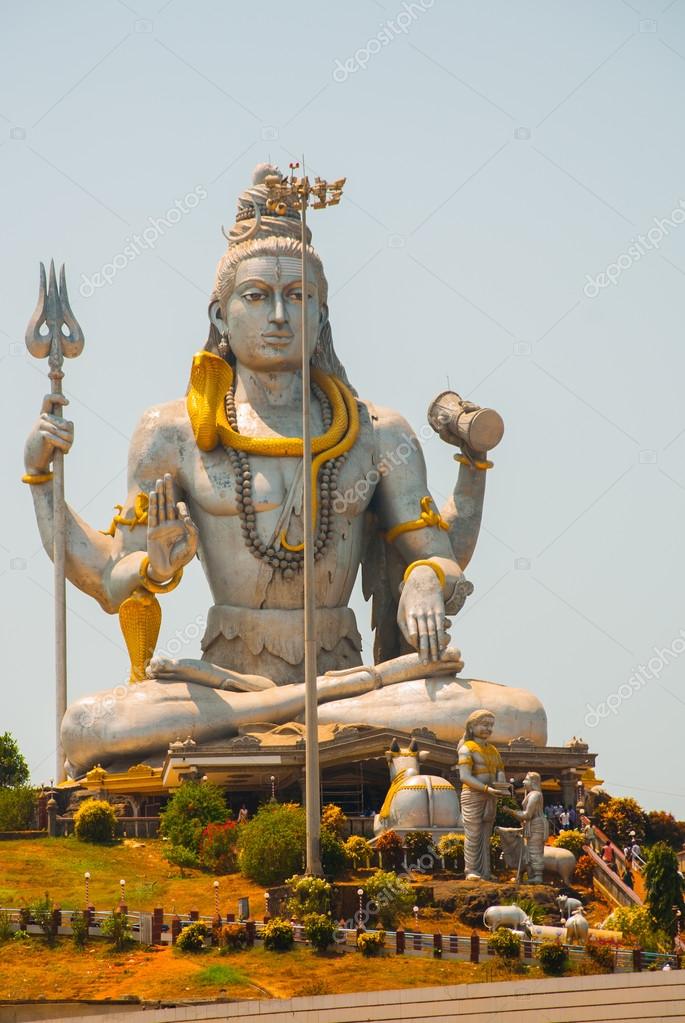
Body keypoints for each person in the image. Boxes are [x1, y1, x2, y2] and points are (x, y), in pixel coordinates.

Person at [24, 163, 547, 778]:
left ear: (321, 316)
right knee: (91, 725)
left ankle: (288, 719)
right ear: (220, 315)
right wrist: (45, 486)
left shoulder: (378, 433)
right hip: (220, 685)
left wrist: (428, 579)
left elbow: (437, 553)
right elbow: (114, 579)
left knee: (518, 714)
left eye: (298, 297)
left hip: (358, 681)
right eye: (257, 296)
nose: (279, 315)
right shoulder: (171, 433)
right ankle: (296, 716)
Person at [457, 709, 510, 880]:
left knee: (486, 835)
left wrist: (501, 786)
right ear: (471, 727)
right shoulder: (467, 748)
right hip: (473, 795)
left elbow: (500, 771)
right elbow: (464, 776)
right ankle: (471, 870)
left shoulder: (493, 750)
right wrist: (487, 789)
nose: (488, 728)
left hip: (491, 795)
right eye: (484, 724)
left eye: (491, 725)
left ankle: (485, 871)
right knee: (473, 834)